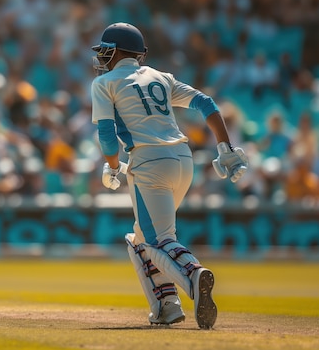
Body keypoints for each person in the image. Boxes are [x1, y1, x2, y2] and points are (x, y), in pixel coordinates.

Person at [89, 23, 248, 329]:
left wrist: (111, 165)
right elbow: (207, 104)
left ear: (117, 51)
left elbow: (107, 137)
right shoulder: (161, 76)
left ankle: (192, 273)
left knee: (157, 242)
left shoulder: (104, 83)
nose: (102, 58)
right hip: (183, 161)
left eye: (106, 51)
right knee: (140, 239)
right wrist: (225, 148)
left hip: (148, 162)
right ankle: (166, 306)